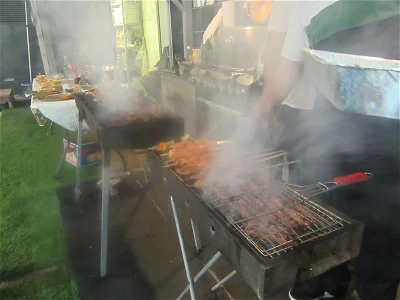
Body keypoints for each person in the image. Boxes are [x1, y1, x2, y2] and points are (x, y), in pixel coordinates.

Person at [253, 0, 400, 299]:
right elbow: (291, 62)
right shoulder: (301, 3)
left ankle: (374, 291)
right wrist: (265, 103)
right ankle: (329, 286)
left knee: (386, 227)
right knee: (328, 210)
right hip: (331, 130)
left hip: (392, 135)